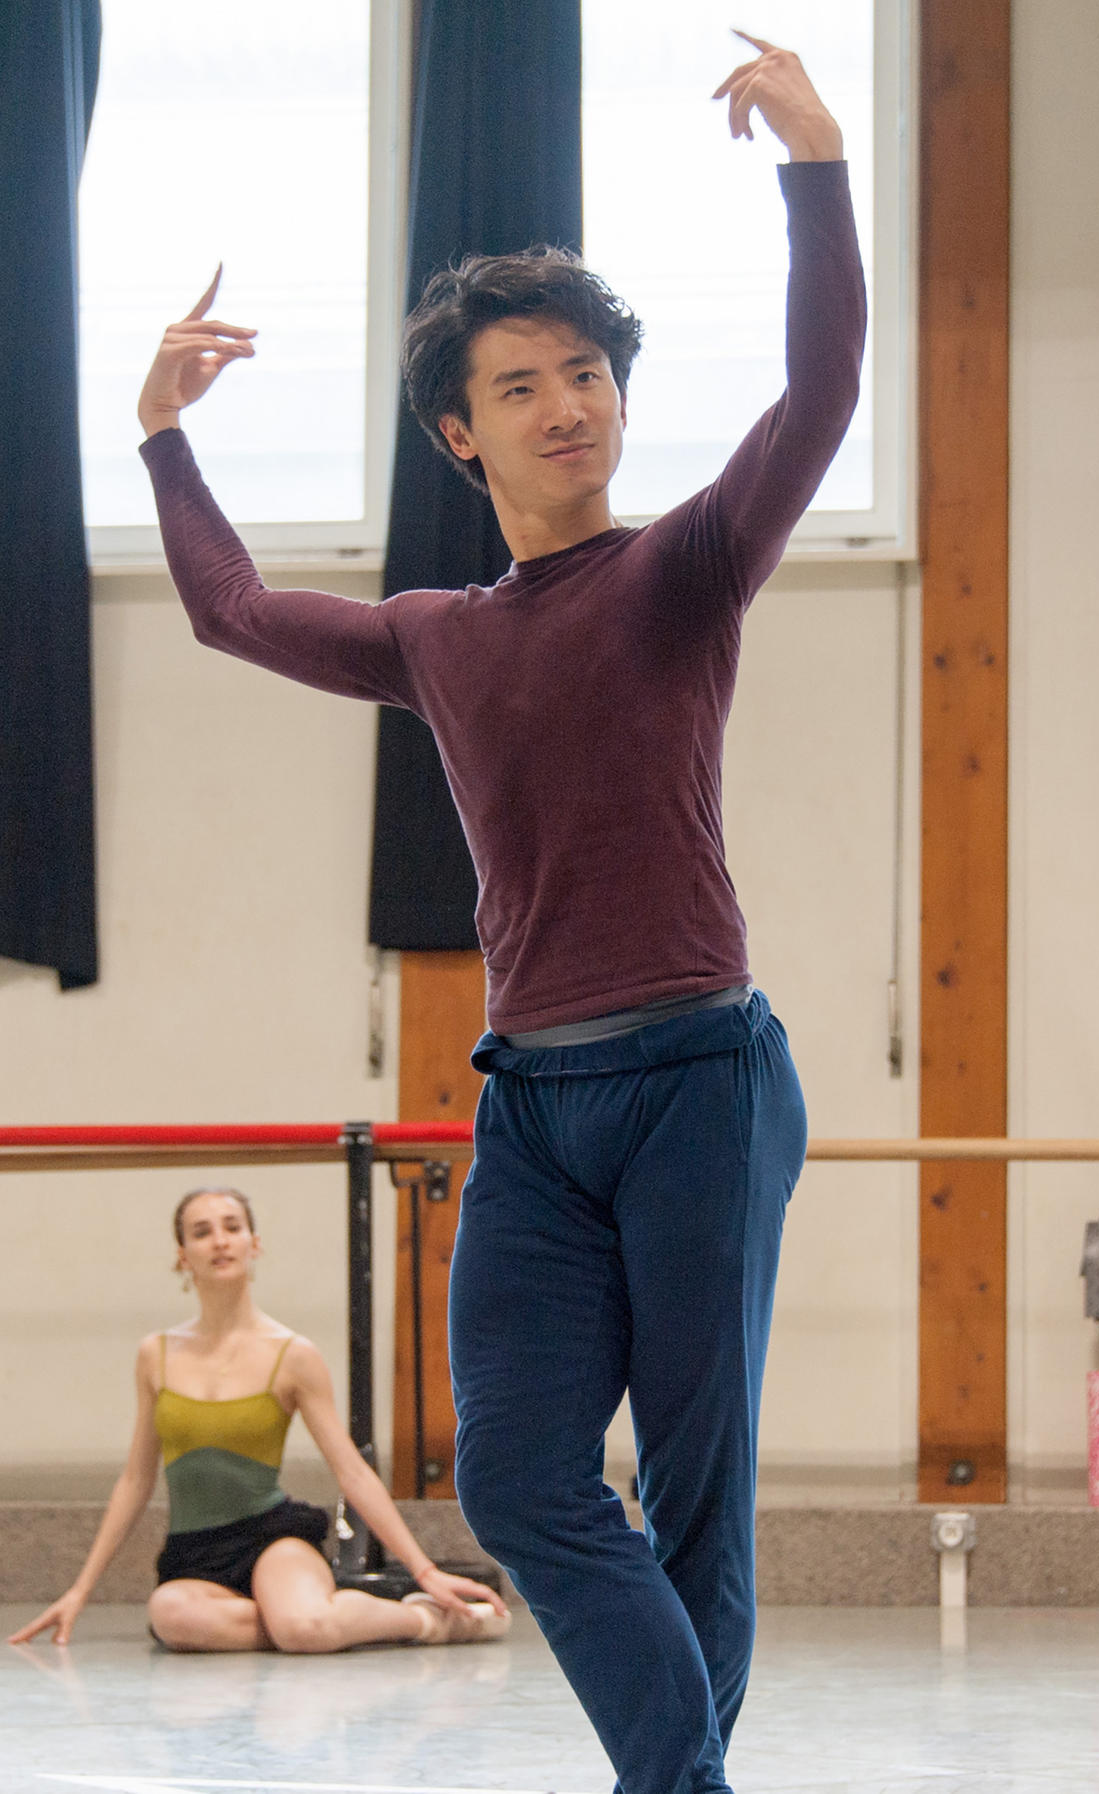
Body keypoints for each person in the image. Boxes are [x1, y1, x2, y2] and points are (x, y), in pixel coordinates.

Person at [129, 32, 861, 1794]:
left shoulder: (685, 569)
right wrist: (157, 434)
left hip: (702, 1075)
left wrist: (817, 170)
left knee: (697, 1490)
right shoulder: (438, 634)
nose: (569, 402)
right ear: (463, 433)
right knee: (518, 1479)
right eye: (523, 383)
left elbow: (822, 393)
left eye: (590, 372)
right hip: (530, 1104)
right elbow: (227, 608)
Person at [8, 1186, 508, 1652]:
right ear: (183, 1257)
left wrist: (423, 1570)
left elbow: (351, 1469)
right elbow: (137, 1479)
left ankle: (425, 1619)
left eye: (231, 1226)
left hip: (273, 1539)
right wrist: (79, 1590)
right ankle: (310, 1618)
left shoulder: (293, 1355)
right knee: (171, 1616)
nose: (219, 1240)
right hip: (195, 1553)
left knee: (303, 1628)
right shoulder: (155, 1355)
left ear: (254, 1244)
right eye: (201, 1232)